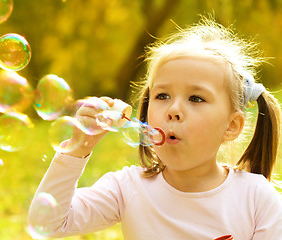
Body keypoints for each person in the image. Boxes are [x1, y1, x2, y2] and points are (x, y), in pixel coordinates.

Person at [28, 16, 282, 239]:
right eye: (162, 96)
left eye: (196, 98)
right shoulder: (127, 188)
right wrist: (78, 147)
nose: (173, 110)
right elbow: (47, 224)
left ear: (231, 126)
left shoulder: (256, 198)